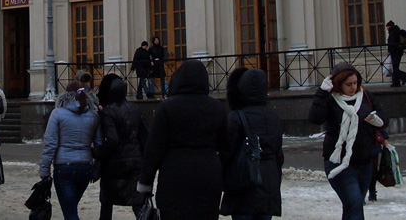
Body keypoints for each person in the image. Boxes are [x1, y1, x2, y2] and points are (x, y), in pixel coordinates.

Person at [137, 59, 228, 220]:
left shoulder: (167, 107)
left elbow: (153, 149)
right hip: (208, 174)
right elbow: (226, 146)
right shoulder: (216, 107)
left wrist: (145, 182)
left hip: (175, 174)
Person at [309, 62, 387, 220]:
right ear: (338, 84)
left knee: (354, 206)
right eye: (348, 84)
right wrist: (321, 93)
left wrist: (377, 120)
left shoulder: (365, 96)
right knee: (354, 202)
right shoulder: (330, 100)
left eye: (355, 83)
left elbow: (384, 118)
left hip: (364, 162)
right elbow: (315, 118)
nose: (353, 87)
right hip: (339, 163)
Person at [220, 68, 284, 220]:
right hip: (268, 183)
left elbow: (226, 153)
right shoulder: (273, 117)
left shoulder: (236, 117)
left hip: (243, 183)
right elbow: (278, 155)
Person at [39, 81, 101, 220]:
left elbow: (50, 144)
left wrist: (44, 169)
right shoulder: (93, 116)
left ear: (66, 94)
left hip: (64, 167)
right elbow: (99, 145)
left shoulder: (57, 114)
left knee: (70, 213)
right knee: (71, 208)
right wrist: (96, 168)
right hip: (85, 166)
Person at [94, 74, 147, 220]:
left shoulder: (109, 111)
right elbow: (143, 135)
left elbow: (112, 140)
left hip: (115, 164)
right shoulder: (135, 108)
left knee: (107, 202)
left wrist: (98, 152)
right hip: (135, 160)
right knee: (137, 201)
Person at [385, 21, 406, 88]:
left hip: (395, 52)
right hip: (399, 51)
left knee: (395, 68)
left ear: (389, 26)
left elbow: (392, 44)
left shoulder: (393, 33)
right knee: (395, 67)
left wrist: (389, 51)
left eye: (387, 26)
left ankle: (404, 76)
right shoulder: (397, 31)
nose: (387, 28)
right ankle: (396, 82)